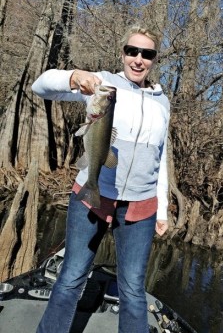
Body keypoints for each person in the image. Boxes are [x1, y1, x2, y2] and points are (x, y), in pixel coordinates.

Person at [32, 24, 170, 333]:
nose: (138, 59)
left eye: (147, 54)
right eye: (132, 51)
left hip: (140, 204)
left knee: (133, 287)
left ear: (154, 59)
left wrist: (162, 210)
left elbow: (162, 159)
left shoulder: (163, 102)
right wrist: (74, 77)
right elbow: (39, 87)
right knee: (71, 277)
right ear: (122, 53)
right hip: (94, 192)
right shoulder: (102, 85)